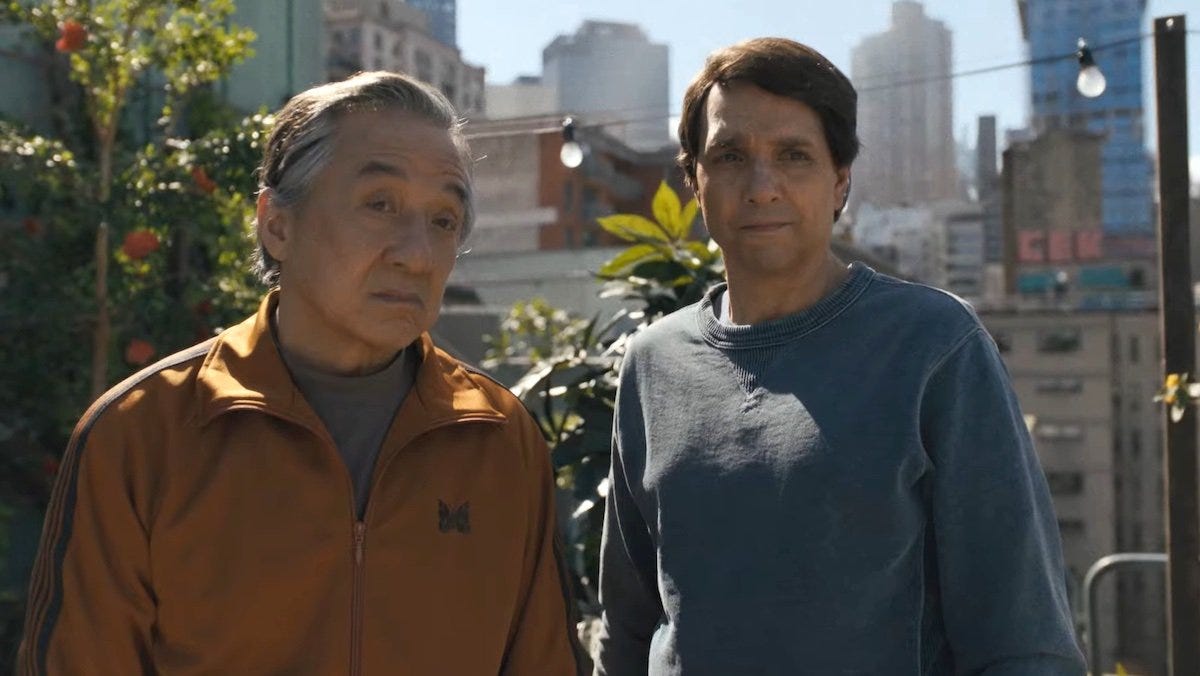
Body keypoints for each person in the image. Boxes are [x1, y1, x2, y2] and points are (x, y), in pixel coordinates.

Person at [18, 72, 582, 675]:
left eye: (443, 219)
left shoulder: (498, 437)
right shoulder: (143, 434)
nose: (417, 254)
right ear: (277, 224)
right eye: (379, 204)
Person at [594, 38, 1086, 675]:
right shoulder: (653, 362)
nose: (762, 186)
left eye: (794, 156)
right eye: (731, 155)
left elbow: (1023, 639)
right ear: (694, 180)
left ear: (840, 183)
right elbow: (629, 627)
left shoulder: (933, 344)